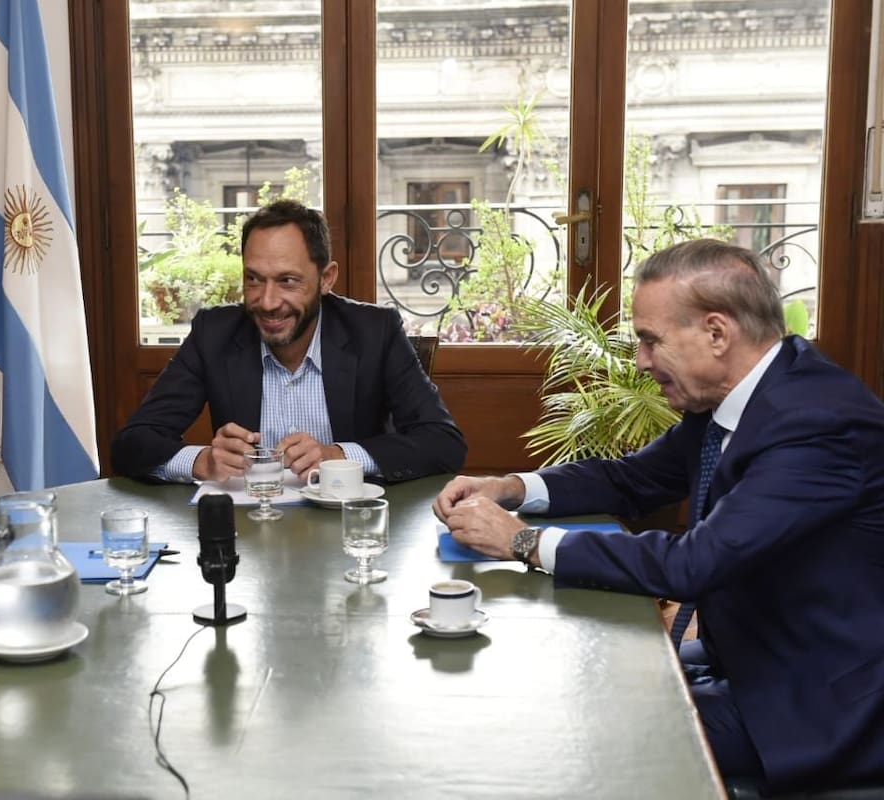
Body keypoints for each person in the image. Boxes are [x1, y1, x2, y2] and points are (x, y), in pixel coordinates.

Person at [434, 238, 884, 794]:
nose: (641, 361)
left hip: (818, 702)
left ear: (717, 333)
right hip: (748, 654)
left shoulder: (820, 425)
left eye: (651, 341)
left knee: (586, 737)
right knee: (575, 683)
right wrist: (511, 487)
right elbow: (630, 479)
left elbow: (695, 563)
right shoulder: (740, 397)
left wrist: (525, 543)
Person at [112, 200, 466, 483]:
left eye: (288, 281)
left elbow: (443, 443)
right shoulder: (214, 333)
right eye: (254, 279)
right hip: (249, 536)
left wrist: (338, 456)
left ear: (326, 279)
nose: (267, 302)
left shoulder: (375, 332)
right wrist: (201, 461)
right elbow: (132, 444)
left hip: (348, 528)